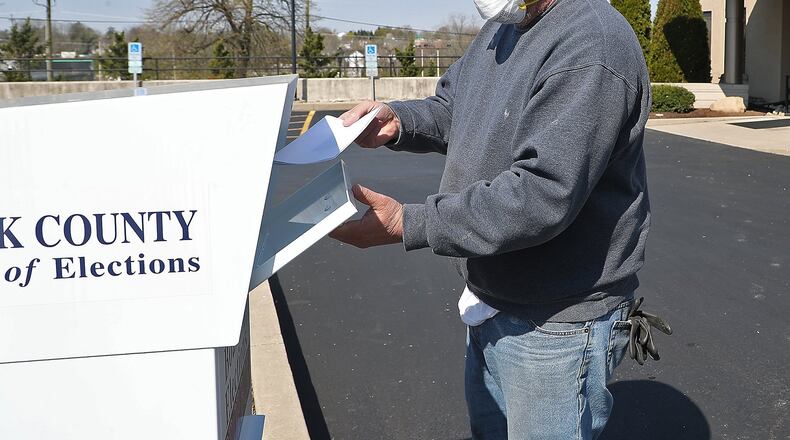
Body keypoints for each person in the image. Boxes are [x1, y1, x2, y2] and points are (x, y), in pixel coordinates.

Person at [330, 0, 652, 437]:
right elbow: (452, 108)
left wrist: (411, 222)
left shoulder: (590, 43)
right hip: (491, 298)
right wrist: (399, 121)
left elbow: (541, 196)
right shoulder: (504, 27)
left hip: (555, 324)